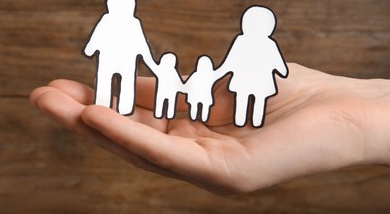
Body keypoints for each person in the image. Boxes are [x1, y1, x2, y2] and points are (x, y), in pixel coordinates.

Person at [30, 63, 390, 195]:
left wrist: (366, 115)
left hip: (252, 88)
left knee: (237, 105)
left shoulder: (258, 45)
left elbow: (260, 62)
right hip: (225, 90)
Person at [83, 0, 157, 115]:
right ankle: (122, 108)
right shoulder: (129, 22)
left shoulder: (115, 20)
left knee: (108, 81)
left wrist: (89, 50)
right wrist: (150, 62)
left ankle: (108, 106)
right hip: (122, 60)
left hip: (113, 60)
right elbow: (142, 45)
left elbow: (96, 37)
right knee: (124, 83)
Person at [216, 6, 288, 127]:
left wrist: (217, 73)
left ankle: (241, 120)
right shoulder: (269, 44)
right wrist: (282, 70)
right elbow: (281, 68)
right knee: (258, 100)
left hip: (243, 80)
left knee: (243, 98)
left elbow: (230, 62)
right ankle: (256, 121)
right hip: (261, 81)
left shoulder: (242, 41)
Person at [184, 55, 218, 122]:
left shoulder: (199, 75)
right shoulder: (211, 76)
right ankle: (198, 117)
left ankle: (198, 117)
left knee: (198, 107)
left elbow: (187, 84)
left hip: (200, 96)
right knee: (199, 107)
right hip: (202, 97)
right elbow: (188, 84)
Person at [154, 52, 184, 119]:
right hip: (166, 92)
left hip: (168, 92)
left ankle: (165, 114)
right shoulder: (164, 70)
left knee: (164, 103)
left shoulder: (170, 71)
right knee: (162, 103)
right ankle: (161, 114)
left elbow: (178, 82)